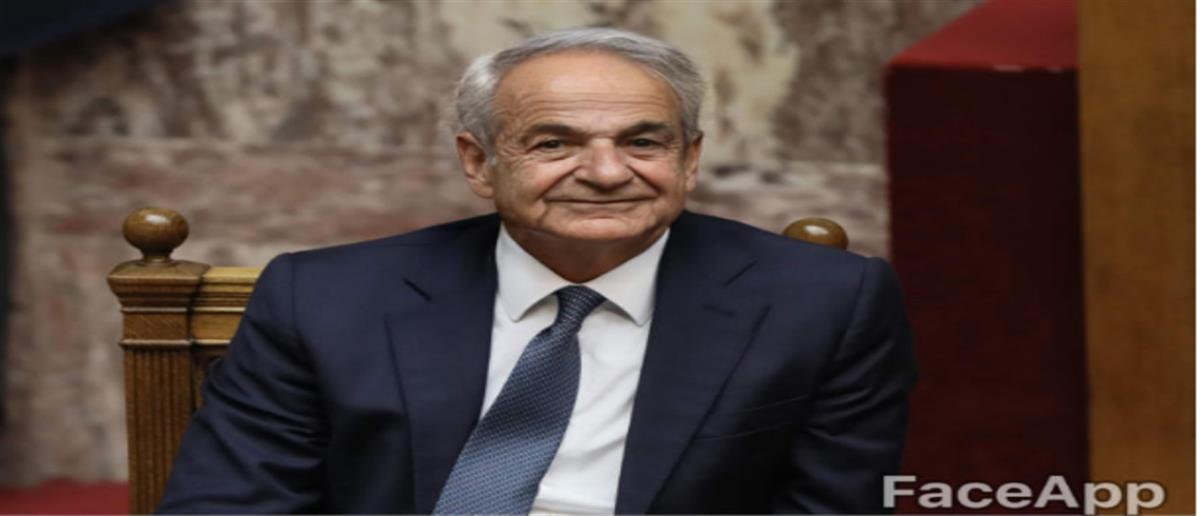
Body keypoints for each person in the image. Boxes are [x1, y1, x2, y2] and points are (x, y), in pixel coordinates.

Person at [157, 27, 917, 514]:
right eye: (554, 144)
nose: (607, 173)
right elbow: (228, 505)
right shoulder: (324, 298)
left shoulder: (825, 304)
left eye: (644, 142)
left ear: (689, 159)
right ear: (478, 162)